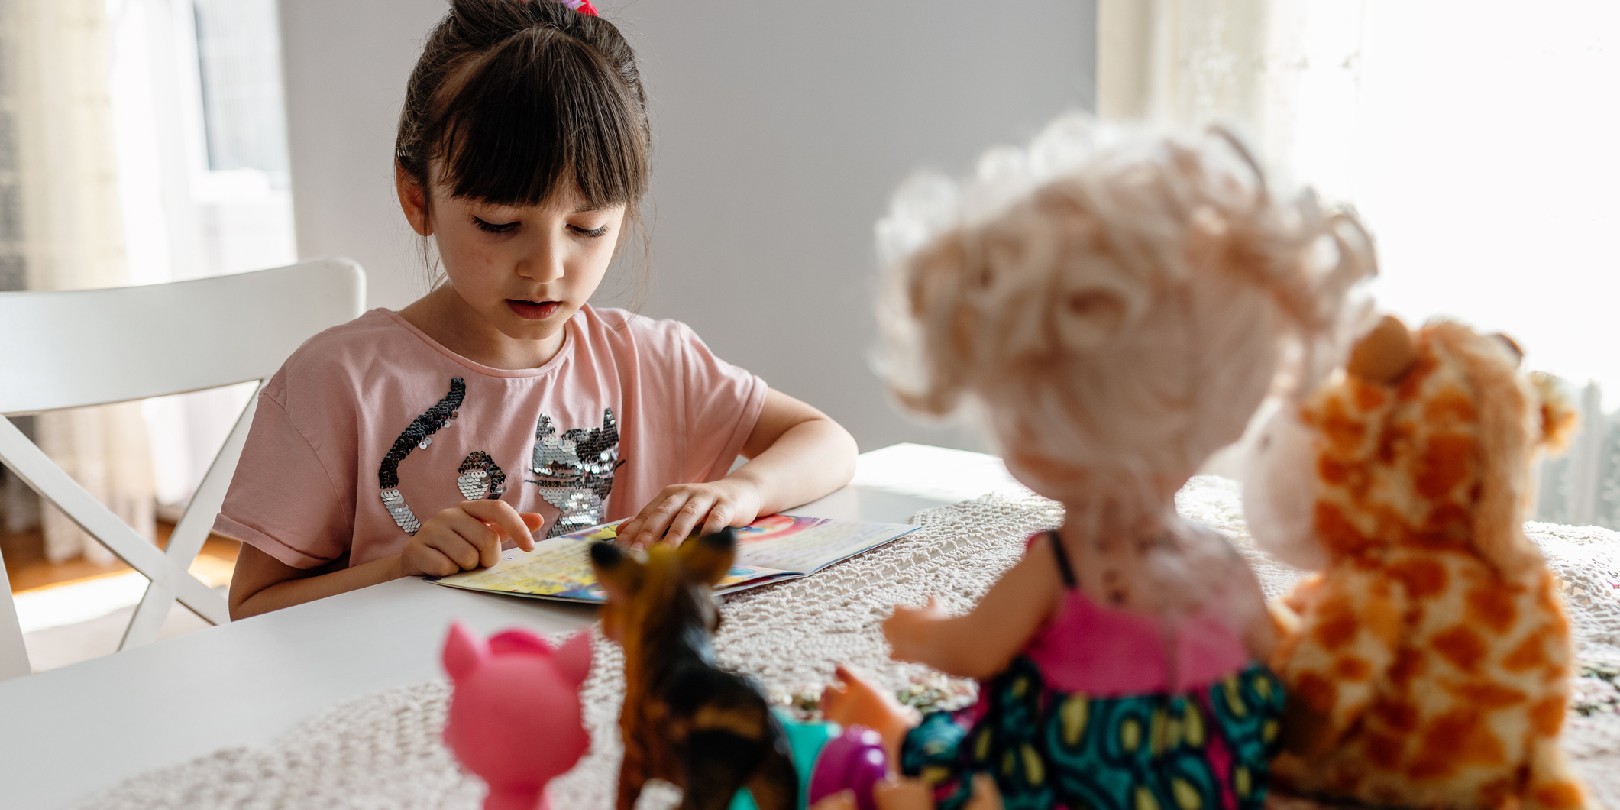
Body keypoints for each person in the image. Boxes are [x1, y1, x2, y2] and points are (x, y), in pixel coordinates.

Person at [219, 0, 857, 619]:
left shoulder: (653, 360)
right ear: (417, 200)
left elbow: (827, 442)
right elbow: (253, 608)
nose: (546, 268)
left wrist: (740, 492)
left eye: (586, 228)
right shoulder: (338, 383)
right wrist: (400, 568)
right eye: (498, 224)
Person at [821, 115, 1377, 808]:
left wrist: (915, 632)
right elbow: (1273, 653)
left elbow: (977, 651)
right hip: (1201, 785)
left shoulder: (1060, 568)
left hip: (1066, 782)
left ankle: (897, 760)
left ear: (1032, 429)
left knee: (958, 774)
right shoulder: (1219, 563)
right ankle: (901, 734)